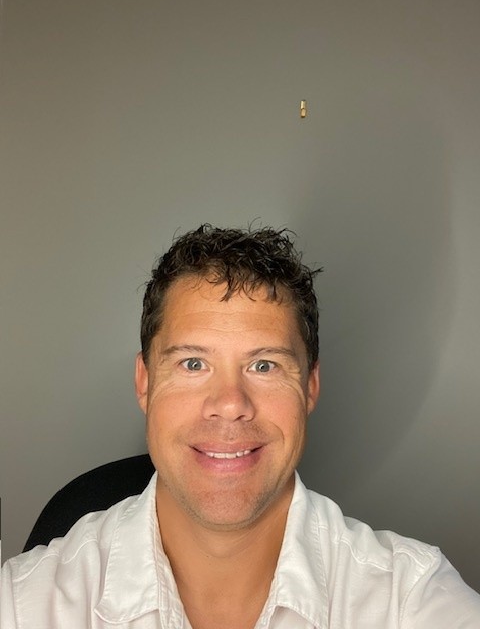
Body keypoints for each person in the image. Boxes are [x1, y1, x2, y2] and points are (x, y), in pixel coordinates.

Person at [1, 224, 480, 629]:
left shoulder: (411, 601)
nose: (230, 404)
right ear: (144, 383)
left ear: (310, 386)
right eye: (193, 364)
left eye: (264, 365)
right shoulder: (24, 605)